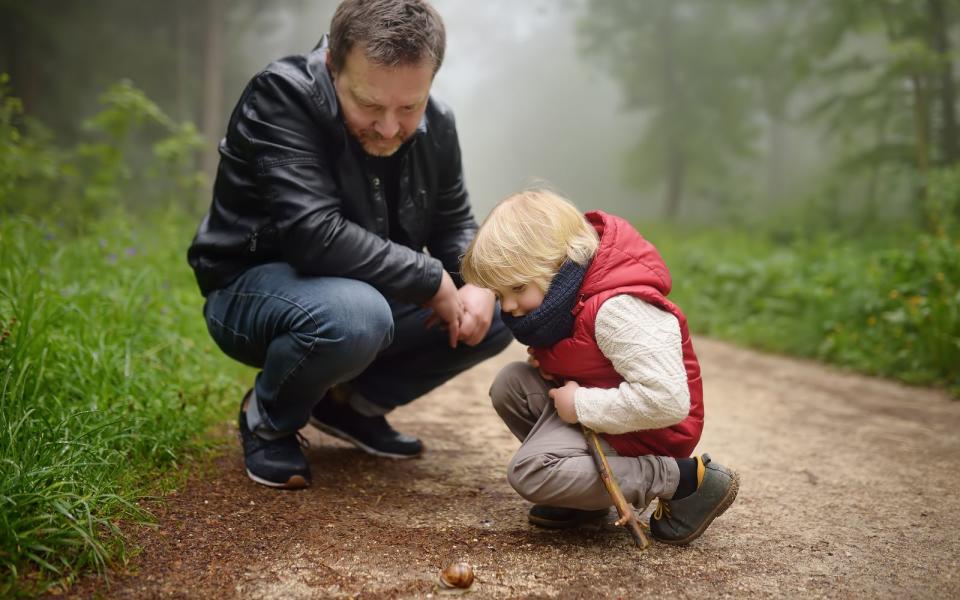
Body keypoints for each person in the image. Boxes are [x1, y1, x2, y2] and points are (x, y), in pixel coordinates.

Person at [187, 0, 512, 490]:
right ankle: (268, 417)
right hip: (250, 293)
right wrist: (431, 278)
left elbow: (453, 223)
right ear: (333, 64)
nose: (389, 127)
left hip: (363, 295)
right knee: (355, 317)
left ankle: (350, 408)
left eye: (409, 107)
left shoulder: (438, 124)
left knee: (507, 304)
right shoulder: (281, 95)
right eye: (368, 105)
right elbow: (312, 234)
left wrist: (479, 282)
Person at [460, 189, 739, 545]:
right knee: (511, 384)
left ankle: (682, 481)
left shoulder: (617, 309)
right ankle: (583, 498)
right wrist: (556, 367)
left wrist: (580, 405)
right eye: (500, 295)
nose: (510, 306)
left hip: (648, 432)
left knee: (530, 472)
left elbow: (668, 401)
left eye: (517, 288)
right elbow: (589, 356)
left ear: (560, 263)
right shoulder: (568, 300)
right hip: (611, 420)